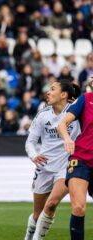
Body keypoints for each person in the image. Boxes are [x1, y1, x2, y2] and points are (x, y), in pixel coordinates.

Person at [24, 81, 81, 240]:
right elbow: (30, 142)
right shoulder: (43, 114)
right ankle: (28, 236)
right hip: (44, 167)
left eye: (52, 89)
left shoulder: (76, 113)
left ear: (63, 95)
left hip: (65, 167)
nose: (48, 92)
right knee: (37, 215)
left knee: (51, 204)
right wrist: (34, 156)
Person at [58, 77, 93, 240]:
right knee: (78, 207)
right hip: (81, 158)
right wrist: (67, 139)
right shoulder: (85, 100)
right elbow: (62, 124)